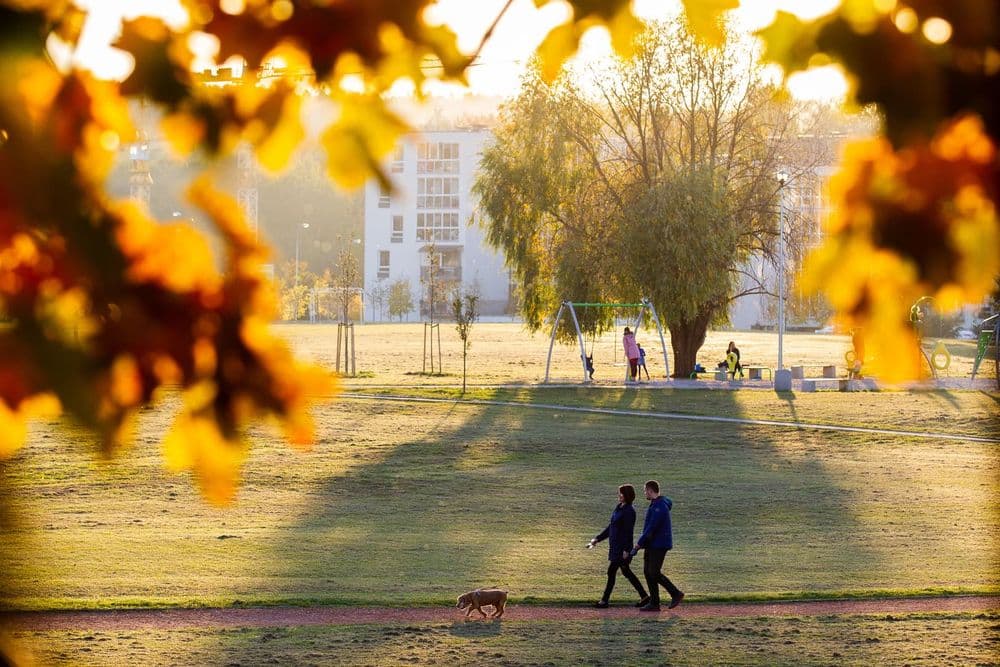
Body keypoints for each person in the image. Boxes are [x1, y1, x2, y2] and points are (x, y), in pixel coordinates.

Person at [588, 484, 649, 608]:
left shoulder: (629, 511)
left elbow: (628, 532)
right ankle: (645, 596)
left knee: (612, 572)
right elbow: (611, 527)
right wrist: (598, 539)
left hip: (621, 549)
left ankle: (604, 601)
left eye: (621, 493)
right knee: (626, 572)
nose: (619, 495)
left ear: (627, 495)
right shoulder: (620, 508)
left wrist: (627, 550)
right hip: (615, 547)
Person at [629, 480, 684, 612]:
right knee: (648, 572)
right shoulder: (656, 504)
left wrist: (637, 545)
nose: (644, 493)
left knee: (653, 572)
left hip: (659, 544)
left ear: (650, 490)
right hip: (652, 543)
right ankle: (654, 603)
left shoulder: (660, 506)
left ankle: (675, 593)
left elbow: (651, 528)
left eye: (645, 491)